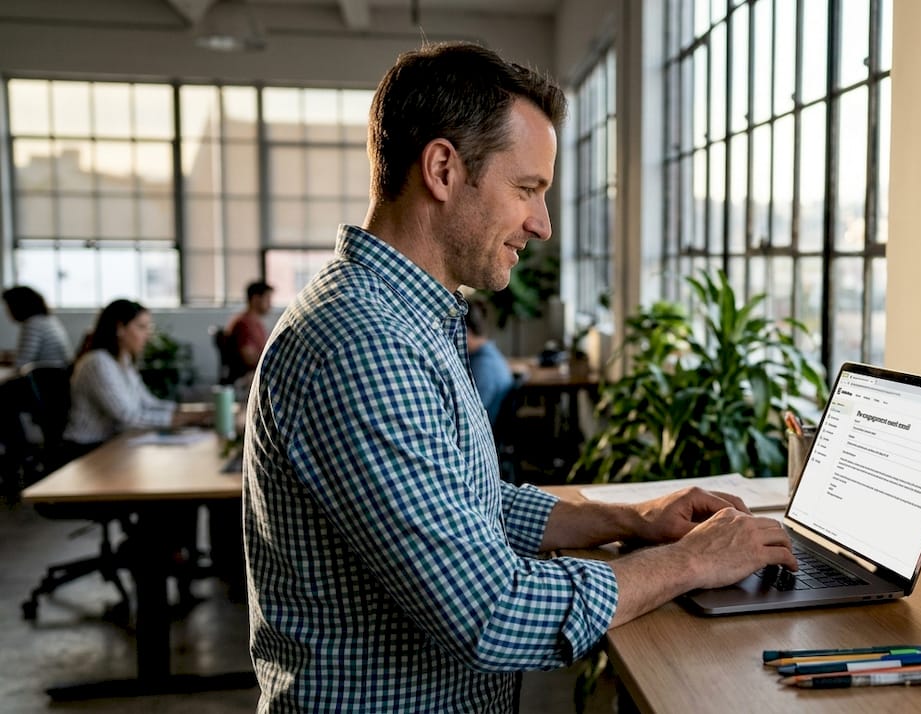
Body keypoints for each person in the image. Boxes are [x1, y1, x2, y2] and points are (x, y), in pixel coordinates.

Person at [242, 42, 797, 712]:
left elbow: (463, 503)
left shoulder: (399, 317)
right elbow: (493, 614)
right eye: (527, 189)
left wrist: (632, 518)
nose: (543, 224)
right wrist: (692, 562)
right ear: (444, 169)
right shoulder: (363, 343)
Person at [63, 299, 209, 449]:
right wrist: (190, 417)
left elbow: (149, 403)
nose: (147, 335)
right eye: (141, 327)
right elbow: (128, 418)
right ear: (120, 328)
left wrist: (195, 412)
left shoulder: (123, 361)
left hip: (113, 445)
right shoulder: (97, 362)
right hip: (87, 449)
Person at [464, 302, 514, 427]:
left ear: (465, 331)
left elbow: (470, 416)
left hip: (482, 432)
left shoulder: (483, 366)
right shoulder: (489, 354)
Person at [3, 286, 72, 368]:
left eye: (9, 306)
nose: (7, 311)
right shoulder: (47, 319)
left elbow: (21, 364)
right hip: (58, 371)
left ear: (18, 305)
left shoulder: (33, 324)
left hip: (49, 375)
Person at [222, 280, 273, 384]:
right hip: (247, 377)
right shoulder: (244, 324)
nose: (270, 304)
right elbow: (249, 358)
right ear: (255, 299)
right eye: (267, 299)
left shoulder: (256, 323)